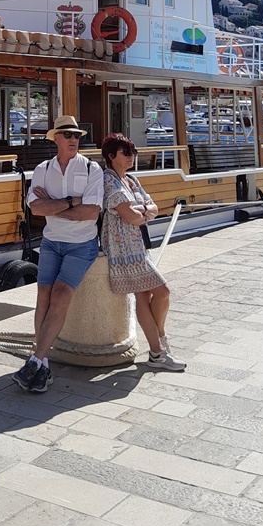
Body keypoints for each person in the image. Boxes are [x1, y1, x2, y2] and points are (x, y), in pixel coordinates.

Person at [12, 115, 103, 393]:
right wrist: (70, 202)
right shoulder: (42, 169)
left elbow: (91, 212)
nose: (74, 139)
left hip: (82, 245)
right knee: (43, 298)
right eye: (68, 135)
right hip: (52, 242)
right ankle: (43, 365)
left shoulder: (92, 169)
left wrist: (53, 205)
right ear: (55, 139)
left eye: (77, 135)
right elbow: (35, 209)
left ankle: (35, 359)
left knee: (61, 295)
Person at [100, 132, 186, 371]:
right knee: (162, 291)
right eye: (125, 153)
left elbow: (154, 208)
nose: (131, 157)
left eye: (132, 152)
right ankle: (159, 344)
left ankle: (157, 348)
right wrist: (142, 211)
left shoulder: (131, 180)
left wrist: (143, 209)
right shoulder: (109, 180)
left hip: (139, 247)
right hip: (124, 251)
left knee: (145, 296)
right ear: (111, 156)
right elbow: (132, 217)